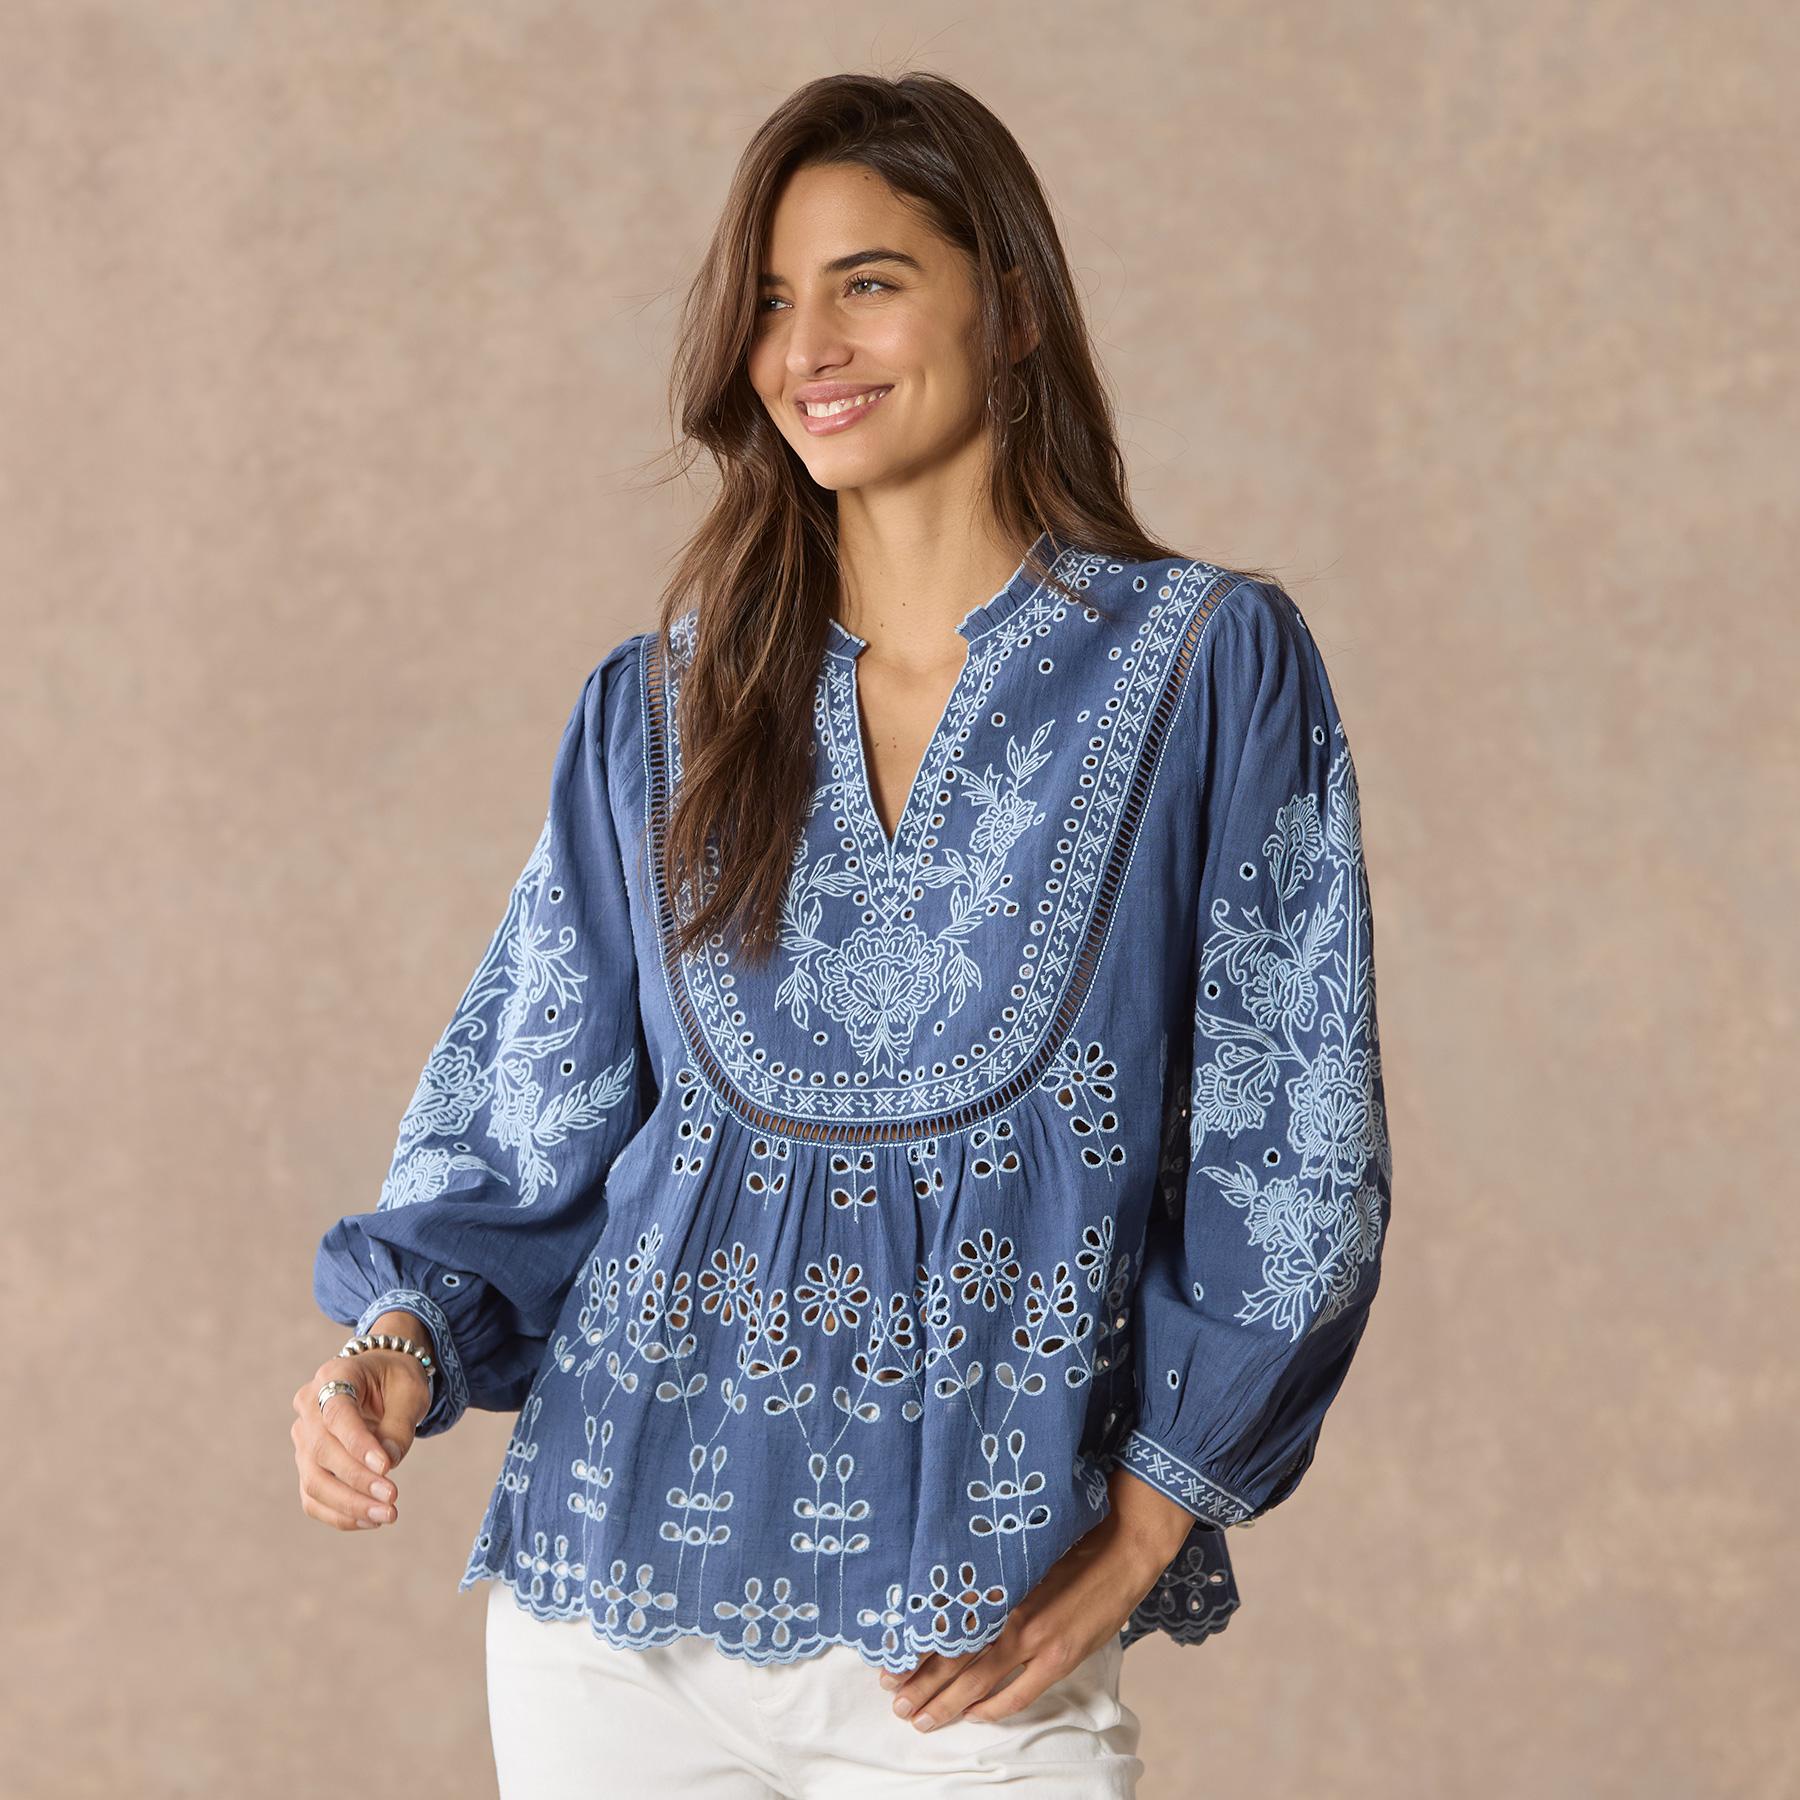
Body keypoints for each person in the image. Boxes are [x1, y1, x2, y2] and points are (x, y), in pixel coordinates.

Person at [292, 68, 1393, 1799]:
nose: (806, 345)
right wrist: (389, 1354)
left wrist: (1139, 1531)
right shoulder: (659, 710)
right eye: (768, 301)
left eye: (867, 282)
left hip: (979, 1638)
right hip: (614, 1626)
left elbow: (1294, 1143)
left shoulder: (1208, 668)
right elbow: (526, 1118)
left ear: (1010, 306)